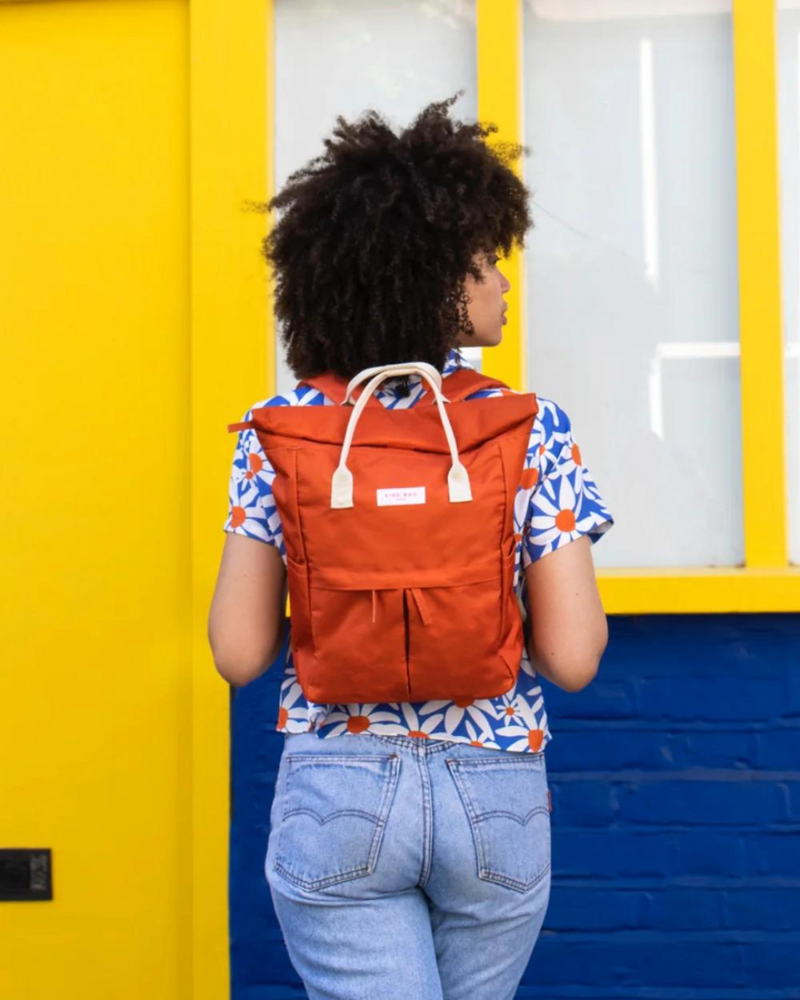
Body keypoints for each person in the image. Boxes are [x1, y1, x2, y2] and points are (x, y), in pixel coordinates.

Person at [208, 92, 615, 1000]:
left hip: (336, 791)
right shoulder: (531, 426)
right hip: (494, 794)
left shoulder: (280, 431)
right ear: (430, 282)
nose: (503, 283)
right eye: (484, 265)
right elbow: (574, 656)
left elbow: (237, 655)